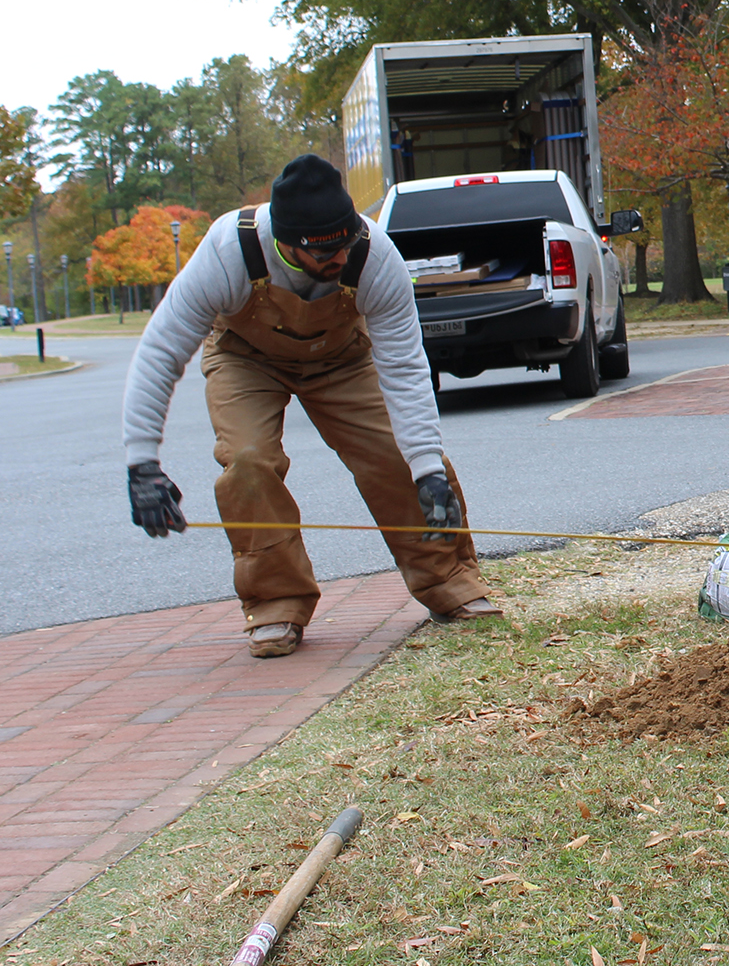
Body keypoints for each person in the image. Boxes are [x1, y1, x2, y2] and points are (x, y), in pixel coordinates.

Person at [122, 153, 501, 655]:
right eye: (325, 254)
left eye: (345, 244)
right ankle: (276, 605)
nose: (339, 260)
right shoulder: (227, 251)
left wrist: (428, 465)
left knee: (395, 457)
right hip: (246, 359)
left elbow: (406, 367)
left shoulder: (374, 255)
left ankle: (450, 583)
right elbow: (160, 350)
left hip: (343, 357)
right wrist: (141, 463)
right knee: (248, 462)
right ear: (285, 245)